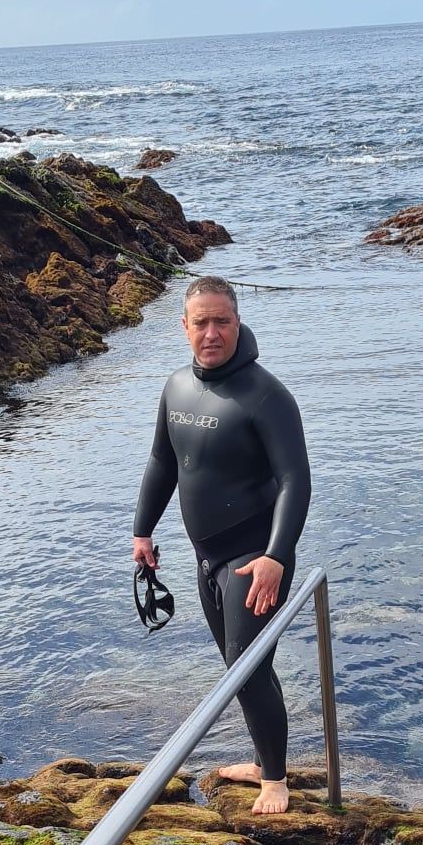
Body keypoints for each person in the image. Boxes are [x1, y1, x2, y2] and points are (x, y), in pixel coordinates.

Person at [132, 277, 311, 815]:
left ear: (238, 323)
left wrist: (277, 557)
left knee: (246, 665)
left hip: (255, 555)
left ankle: (275, 779)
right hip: (206, 555)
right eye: (201, 322)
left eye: (222, 322)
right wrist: (143, 530)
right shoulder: (175, 387)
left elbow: (295, 481)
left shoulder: (266, 395)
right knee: (237, 665)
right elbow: (164, 462)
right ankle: (264, 760)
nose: (212, 333)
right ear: (183, 326)